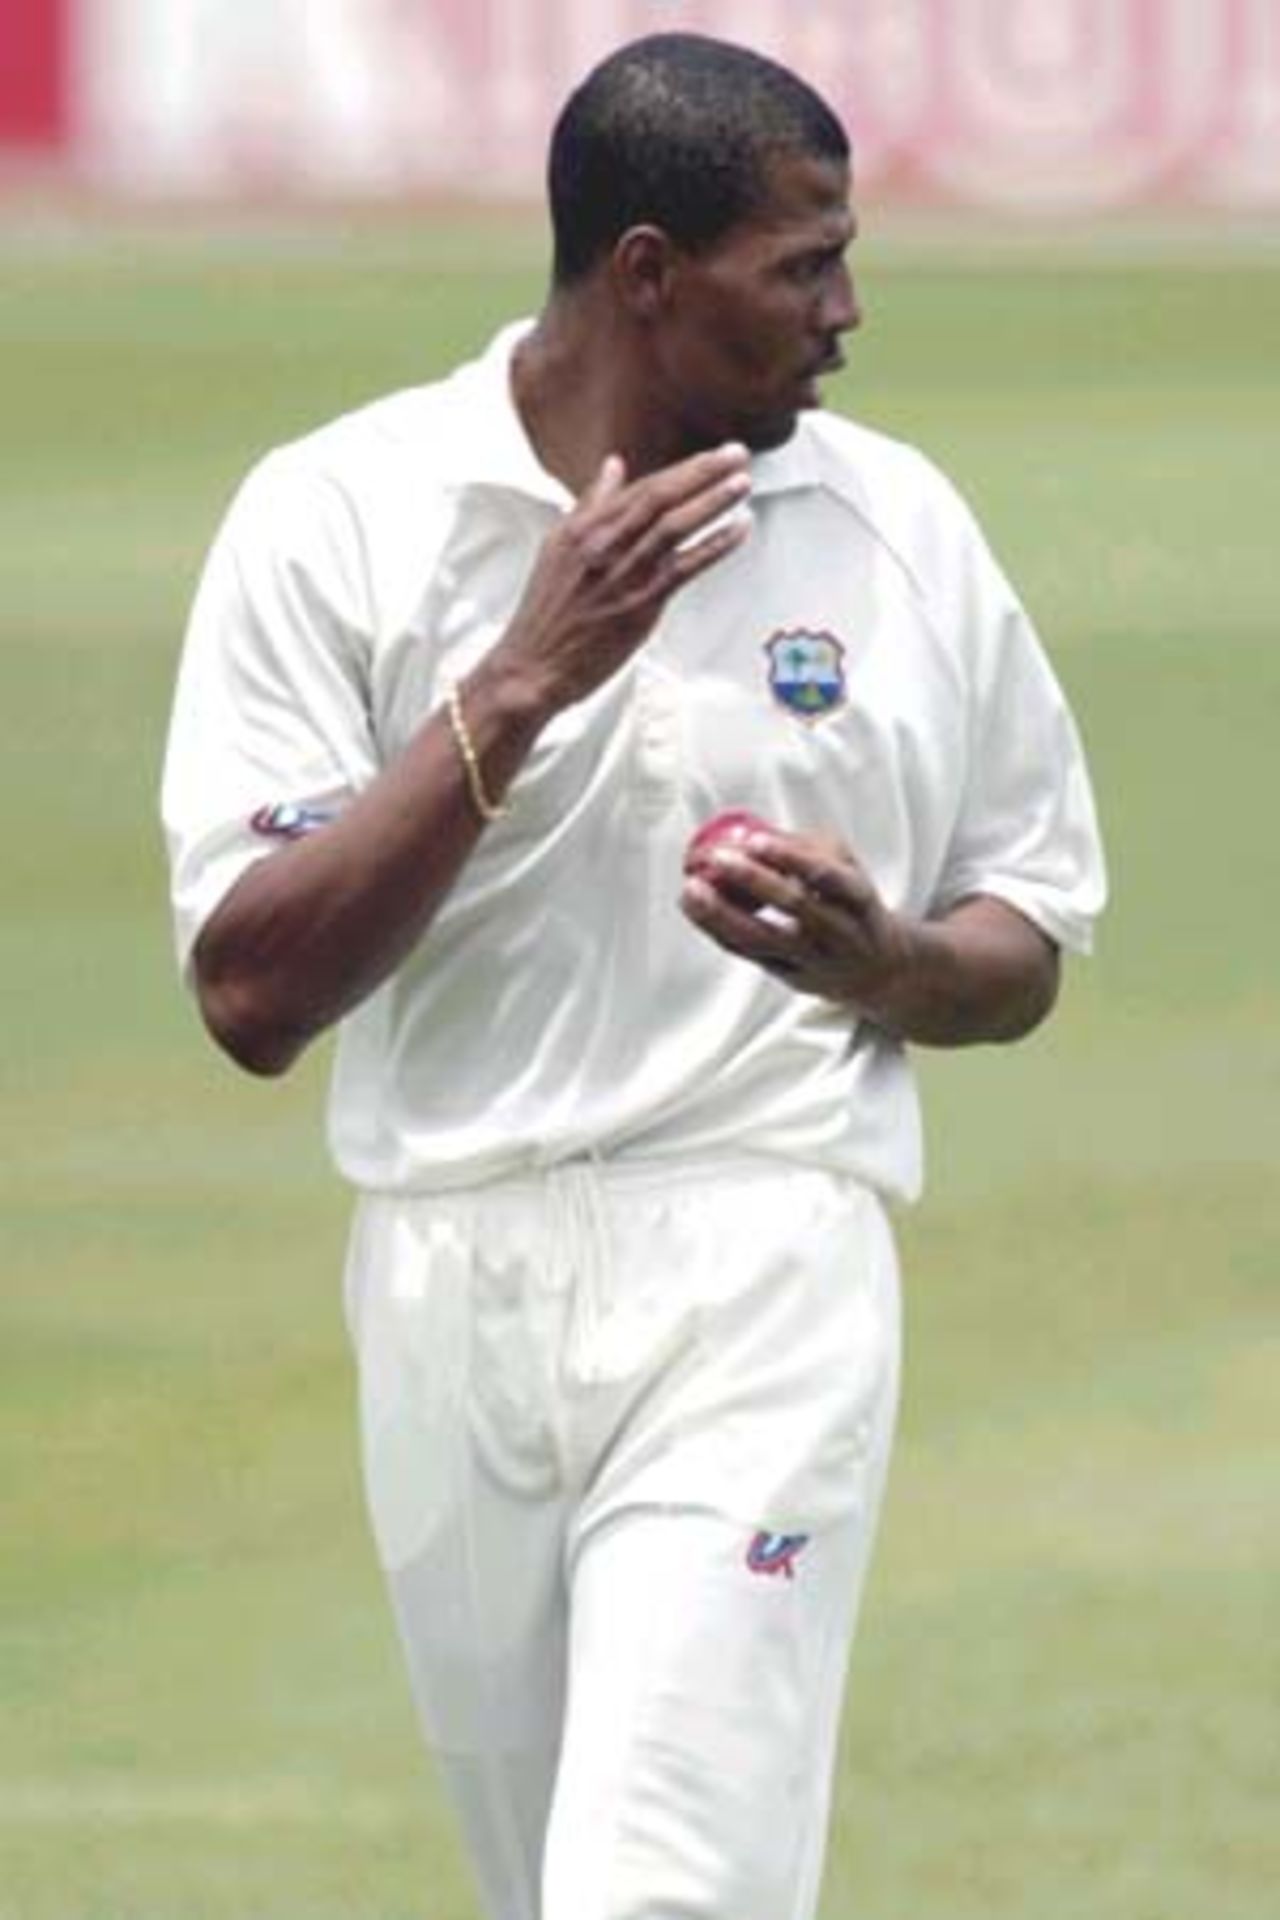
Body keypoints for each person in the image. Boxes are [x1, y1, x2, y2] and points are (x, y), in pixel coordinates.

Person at [162, 30, 1105, 1920]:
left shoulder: (892, 526)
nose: (851, 309)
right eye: (805, 264)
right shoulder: (341, 513)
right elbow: (252, 994)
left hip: (760, 1259)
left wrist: (890, 959)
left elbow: (1031, 930)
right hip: (447, 1268)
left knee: (658, 1893)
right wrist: (517, 685)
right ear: (649, 271)